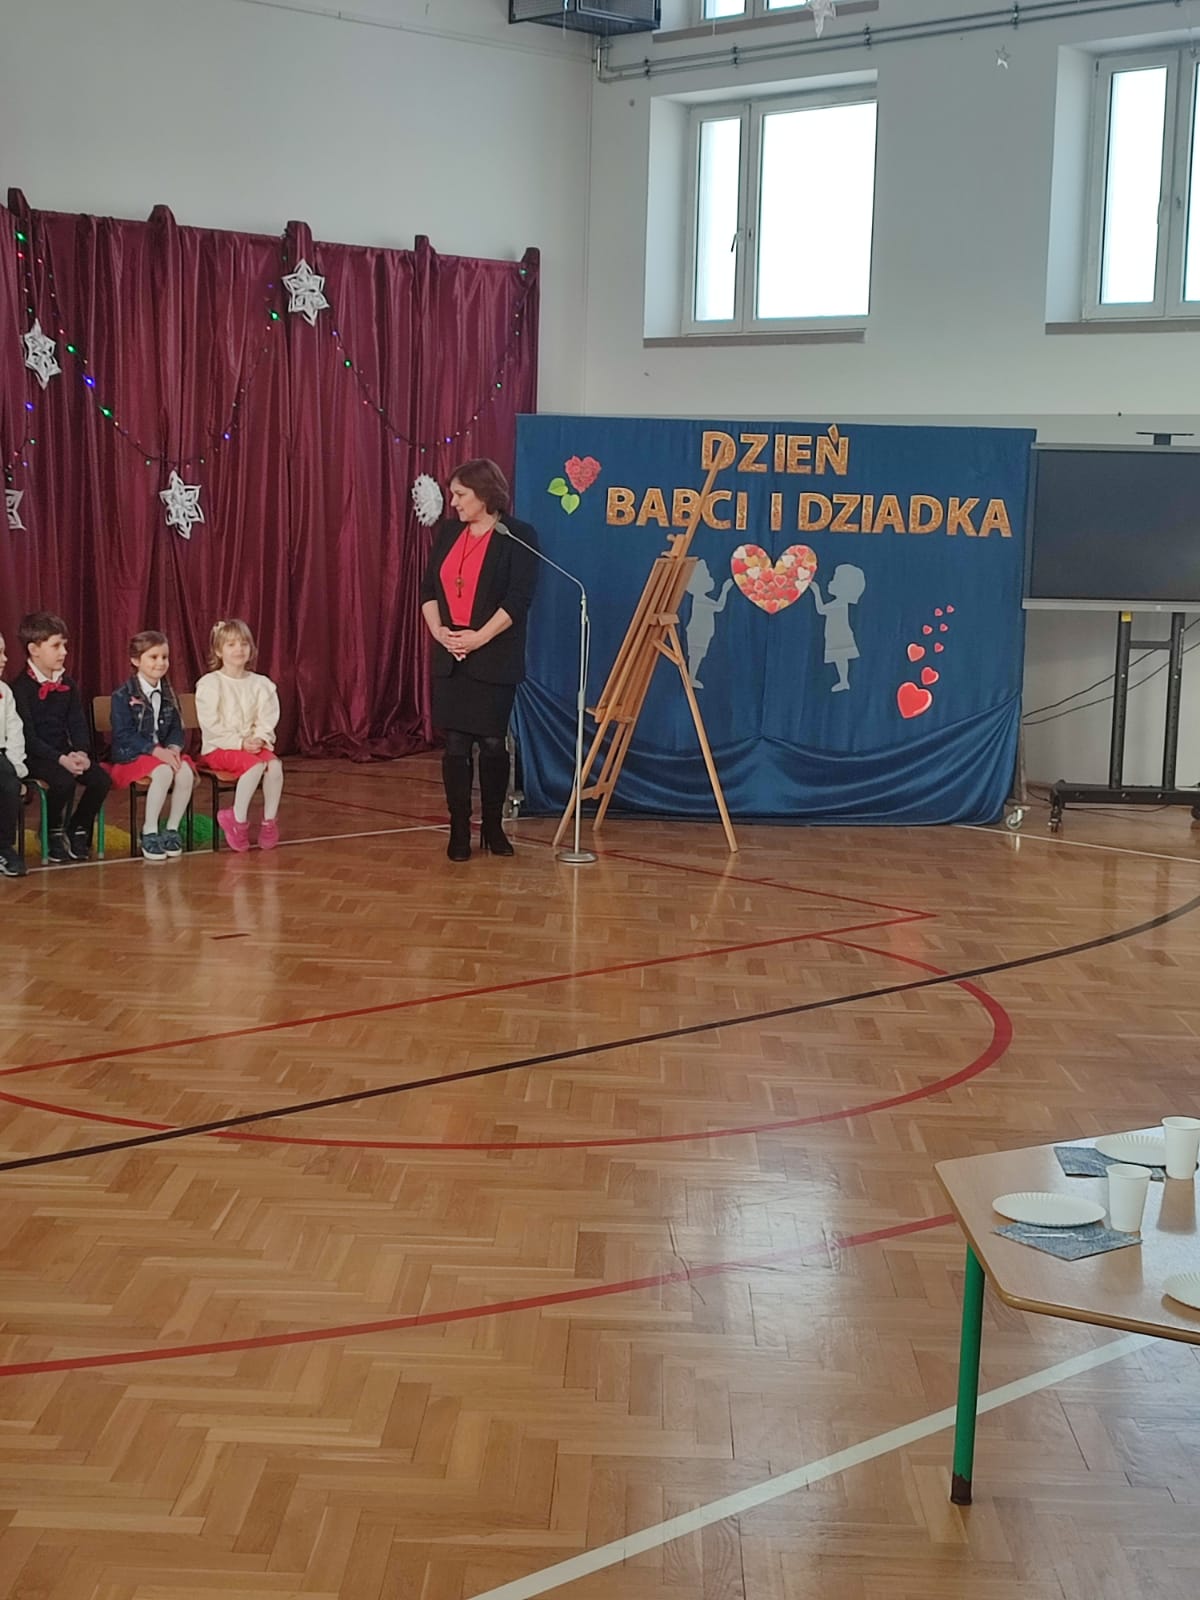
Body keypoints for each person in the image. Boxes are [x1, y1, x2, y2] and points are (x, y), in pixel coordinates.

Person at [419, 458, 538, 861]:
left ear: (485, 494)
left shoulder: (517, 535)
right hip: (451, 653)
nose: (453, 502)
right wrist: (440, 632)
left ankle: (492, 825)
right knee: (455, 745)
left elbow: (518, 600)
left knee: (491, 743)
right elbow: (428, 590)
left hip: (493, 654)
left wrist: (478, 638)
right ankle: (458, 829)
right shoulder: (449, 532)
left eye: (460, 494)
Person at [11, 611, 112, 863]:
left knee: (100, 779)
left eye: (64, 645)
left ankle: (78, 826)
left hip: (62, 751)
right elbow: (28, 737)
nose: (64, 652)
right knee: (63, 781)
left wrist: (81, 752)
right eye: (56, 646)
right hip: (34, 755)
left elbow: (77, 724)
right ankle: (51, 830)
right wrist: (61, 759)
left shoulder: (68, 684)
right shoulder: (20, 688)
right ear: (34, 649)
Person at [107, 630, 197, 862]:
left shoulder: (169, 693)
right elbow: (124, 735)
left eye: (164, 657)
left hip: (163, 752)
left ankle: (172, 828)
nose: (160, 663)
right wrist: (156, 751)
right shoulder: (122, 695)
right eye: (153, 657)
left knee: (185, 773)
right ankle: (149, 830)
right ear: (136, 660)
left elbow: (176, 727)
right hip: (132, 754)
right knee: (164, 771)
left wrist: (174, 747)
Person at [194, 618, 283, 852]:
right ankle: (237, 819)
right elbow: (211, 725)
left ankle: (269, 821)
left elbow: (267, 718)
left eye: (244, 644)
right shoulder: (210, 683)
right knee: (254, 766)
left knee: (274, 766)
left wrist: (260, 738)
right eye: (231, 644)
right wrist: (240, 742)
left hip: (252, 745)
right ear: (218, 651)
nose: (239, 649)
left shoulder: (261, 684)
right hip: (220, 748)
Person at [810, 564, 867, 692]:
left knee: (840, 657)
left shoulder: (839, 604)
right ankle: (843, 681)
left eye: (834, 580)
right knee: (840, 658)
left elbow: (821, 610)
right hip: (837, 634)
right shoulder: (840, 603)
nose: (830, 582)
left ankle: (844, 681)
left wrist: (816, 592)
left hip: (839, 636)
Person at [0, 633, 28, 878]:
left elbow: (15, 729)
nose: (5, 659)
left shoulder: (5, 691)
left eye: (4, 652)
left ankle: (4, 847)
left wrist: (16, 764)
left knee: (9, 784)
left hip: (1, 757)